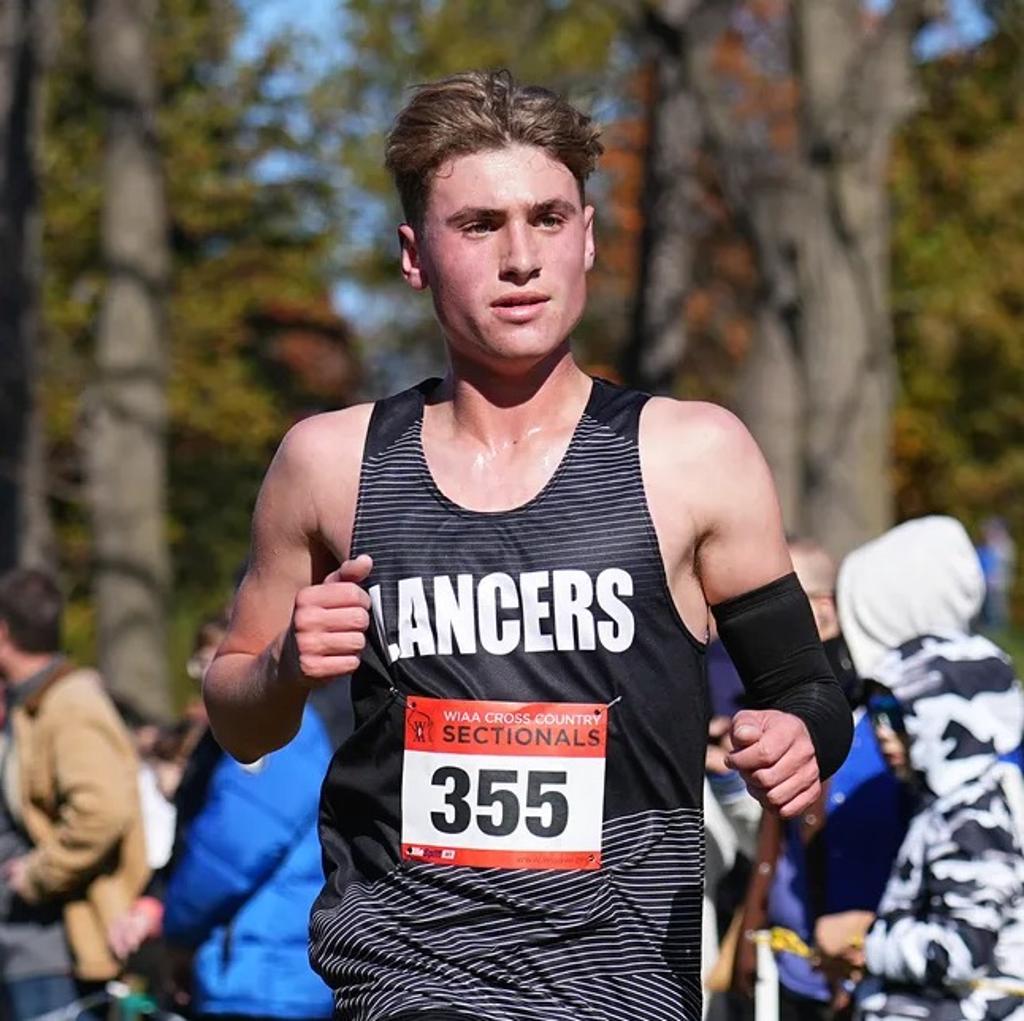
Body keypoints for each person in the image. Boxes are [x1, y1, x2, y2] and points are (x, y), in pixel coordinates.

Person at [203, 70, 852, 1020]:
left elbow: (810, 690)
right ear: (415, 255)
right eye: (478, 225)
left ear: (586, 236)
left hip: (621, 987)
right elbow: (237, 719)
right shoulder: (331, 463)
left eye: (547, 219)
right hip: (409, 985)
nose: (521, 259)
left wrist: (798, 736)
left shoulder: (693, 456)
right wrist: (285, 666)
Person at [837, 516, 1024, 1021]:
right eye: (877, 715)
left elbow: (962, 949)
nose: (882, 733)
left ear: (944, 718)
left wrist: (864, 943)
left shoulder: (975, 814)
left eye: (898, 716)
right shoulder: (941, 804)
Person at [732, 542, 909, 1021]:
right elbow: (769, 843)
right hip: (786, 976)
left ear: (825, 609)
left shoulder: (888, 725)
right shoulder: (766, 699)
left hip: (864, 978)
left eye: (775, 602)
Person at [0, 569, 150, 1021]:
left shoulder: (69, 704)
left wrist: (36, 875)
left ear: (3, 631)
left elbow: (101, 811)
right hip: (31, 945)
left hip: (56, 950)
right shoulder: (34, 703)